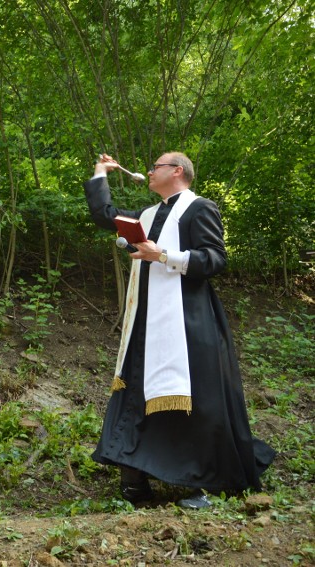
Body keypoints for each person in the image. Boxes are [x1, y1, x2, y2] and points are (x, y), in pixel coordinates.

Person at [85, 152, 275, 509]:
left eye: (155, 167)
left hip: (190, 321)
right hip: (145, 320)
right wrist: (100, 173)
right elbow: (104, 216)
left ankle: (200, 483)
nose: (148, 172)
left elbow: (215, 259)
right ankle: (134, 479)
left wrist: (164, 255)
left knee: (195, 397)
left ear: (177, 171)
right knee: (139, 389)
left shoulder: (199, 208)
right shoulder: (147, 213)